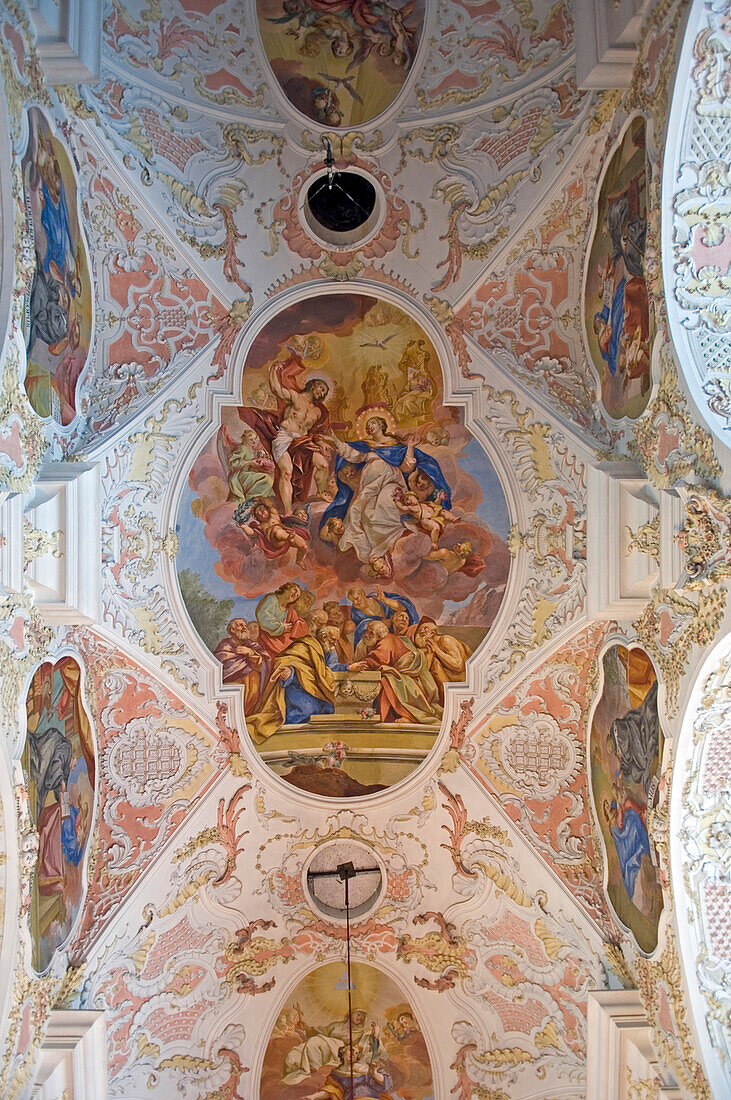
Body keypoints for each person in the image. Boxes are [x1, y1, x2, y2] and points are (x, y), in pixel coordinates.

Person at [321, 415, 452, 568]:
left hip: (390, 481)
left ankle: (391, 543)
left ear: (382, 426)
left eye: (373, 423)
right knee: (362, 512)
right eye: (368, 424)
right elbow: (351, 454)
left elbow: (406, 467)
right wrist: (335, 440)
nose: (370, 426)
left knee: (385, 506)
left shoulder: (395, 446)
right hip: (369, 485)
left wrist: (410, 447)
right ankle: (374, 552)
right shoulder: (366, 447)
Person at [240, 357, 331, 514]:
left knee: (323, 464)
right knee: (287, 471)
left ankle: (320, 492)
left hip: (303, 441)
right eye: (320, 387)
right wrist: (273, 372)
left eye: (324, 391)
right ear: (313, 385)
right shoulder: (296, 397)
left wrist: (321, 443)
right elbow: (277, 389)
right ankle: (288, 510)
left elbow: (315, 433)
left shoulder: (317, 412)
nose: (321, 392)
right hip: (285, 437)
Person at [349, 620, 441, 725]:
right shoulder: (375, 641)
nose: (367, 634)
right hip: (404, 670)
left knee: (389, 681)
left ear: (379, 635)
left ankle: (409, 715)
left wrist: (361, 665)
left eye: (371, 633)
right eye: (367, 631)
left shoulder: (386, 641)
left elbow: (379, 658)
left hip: (408, 669)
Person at [213, 618, 269, 714]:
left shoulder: (252, 645)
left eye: (245, 626)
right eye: (240, 625)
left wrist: (251, 653)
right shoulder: (225, 646)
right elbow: (223, 668)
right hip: (232, 680)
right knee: (252, 676)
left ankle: (247, 712)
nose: (244, 628)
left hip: (251, 682)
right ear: (233, 630)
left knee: (254, 676)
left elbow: (264, 663)